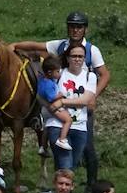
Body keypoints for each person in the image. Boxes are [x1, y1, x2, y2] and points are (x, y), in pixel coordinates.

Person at [15, 12, 112, 182]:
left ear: (85, 30)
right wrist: (14, 45)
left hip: (81, 103)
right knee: (60, 146)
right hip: (60, 103)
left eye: (79, 27)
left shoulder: (92, 50)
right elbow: (35, 46)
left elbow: (104, 75)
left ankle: (91, 183)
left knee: (87, 146)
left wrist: (93, 96)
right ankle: (61, 182)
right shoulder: (60, 46)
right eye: (72, 26)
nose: (75, 30)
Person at [43, 42, 97, 172]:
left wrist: (62, 102)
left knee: (71, 167)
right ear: (67, 58)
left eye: (81, 56)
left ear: (84, 58)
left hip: (80, 126)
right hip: (57, 125)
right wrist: (48, 105)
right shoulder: (59, 74)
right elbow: (44, 90)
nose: (77, 59)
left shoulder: (90, 76)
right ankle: (63, 190)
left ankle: (58, 190)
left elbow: (85, 100)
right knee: (66, 166)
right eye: (74, 56)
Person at [35, 55, 74, 152]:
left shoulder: (43, 80)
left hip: (45, 109)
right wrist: (61, 95)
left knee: (47, 126)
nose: (59, 73)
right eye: (57, 71)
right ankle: (62, 139)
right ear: (49, 72)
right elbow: (51, 97)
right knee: (68, 120)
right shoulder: (48, 84)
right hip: (53, 108)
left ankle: (43, 147)